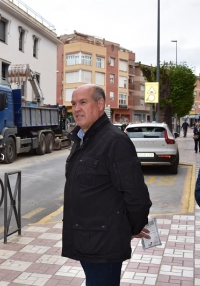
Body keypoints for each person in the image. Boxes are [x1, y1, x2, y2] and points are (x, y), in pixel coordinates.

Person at [62, 84, 152, 286]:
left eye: (83, 102)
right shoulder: (82, 138)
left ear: (101, 104)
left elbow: (136, 195)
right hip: (87, 239)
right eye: (74, 103)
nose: (76, 109)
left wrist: (130, 227)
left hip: (104, 243)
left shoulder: (114, 141)